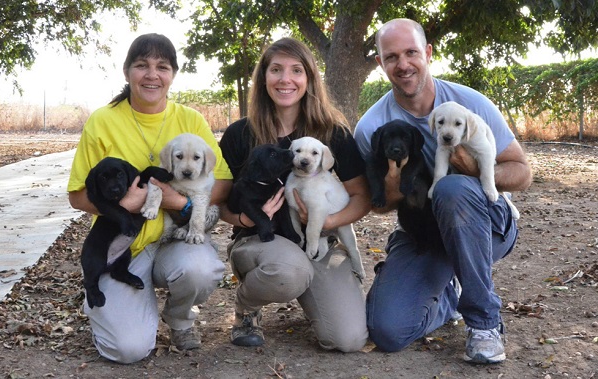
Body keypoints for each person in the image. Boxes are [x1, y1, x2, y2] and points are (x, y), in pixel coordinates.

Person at [354, 19, 532, 364]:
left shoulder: (469, 104)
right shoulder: (372, 127)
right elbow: (376, 203)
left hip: (487, 224)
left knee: (451, 188)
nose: (403, 64)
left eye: (411, 53)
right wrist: (391, 191)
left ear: (428, 53)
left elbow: (522, 173)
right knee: (387, 331)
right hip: (424, 231)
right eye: (391, 57)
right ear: (380, 64)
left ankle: (484, 323)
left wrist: (477, 170)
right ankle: (449, 294)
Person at [67, 33, 233, 364]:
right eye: (142, 65)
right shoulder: (103, 121)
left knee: (201, 268)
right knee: (127, 350)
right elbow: (77, 196)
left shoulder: (191, 120)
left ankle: (179, 318)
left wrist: (179, 202)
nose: (152, 74)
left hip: (175, 239)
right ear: (127, 71)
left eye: (162, 66)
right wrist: (124, 205)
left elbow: (223, 183)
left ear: (173, 74)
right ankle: (114, 303)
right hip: (125, 246)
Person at [218, 37, 370, 352]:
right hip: (260, 239)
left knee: (348, 339)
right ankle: (248, 305)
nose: (286, 79)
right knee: (288, 272)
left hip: (320, 240)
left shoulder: (332, 133)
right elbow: (220, 203)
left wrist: (329, 221)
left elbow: (361, 196)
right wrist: (245, 218)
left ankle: (321, 294)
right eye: (276, 70)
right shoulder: (238, 134)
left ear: (309, 78)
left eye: (296, 70)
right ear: (263, 78)